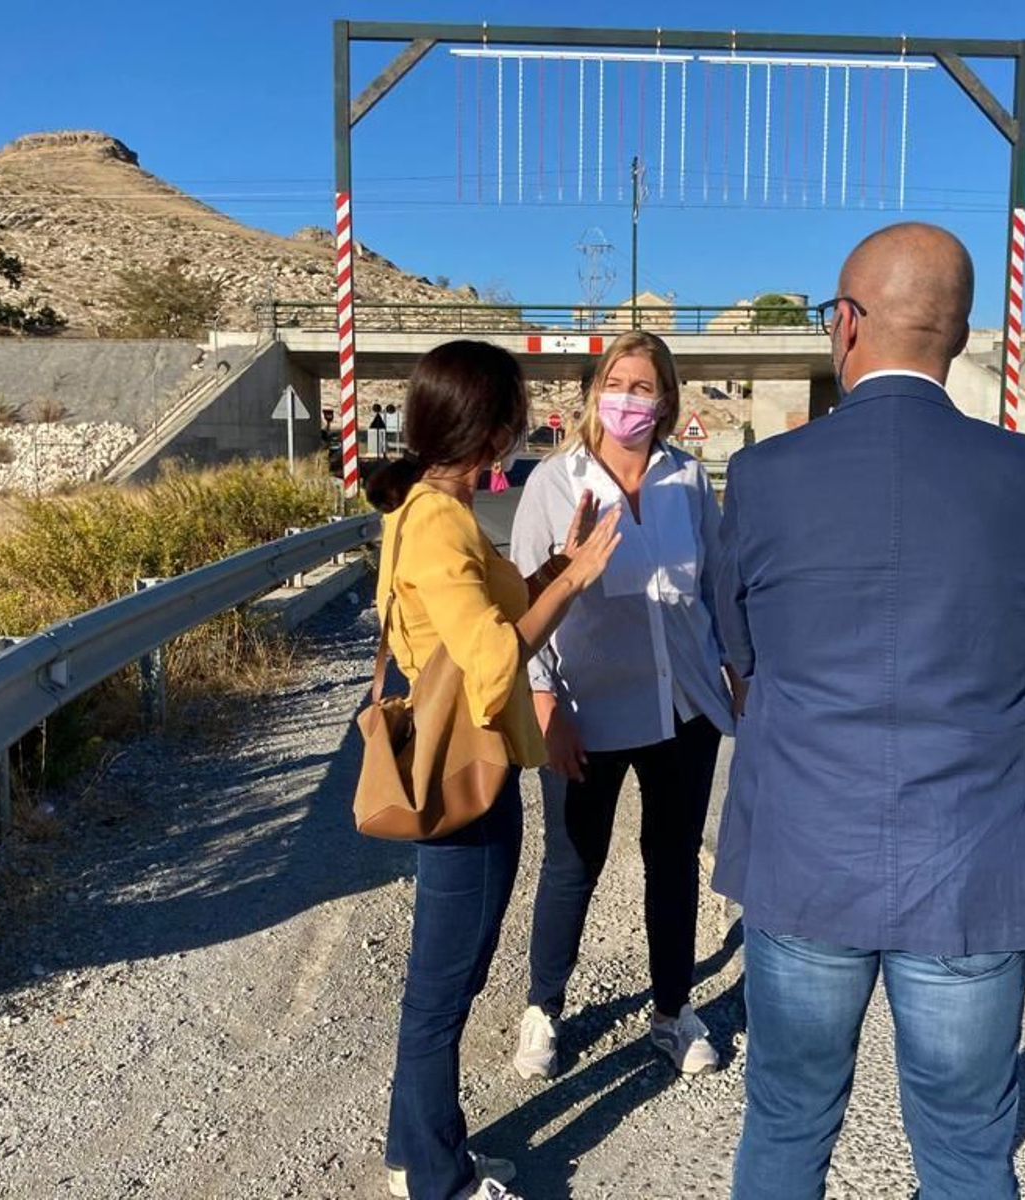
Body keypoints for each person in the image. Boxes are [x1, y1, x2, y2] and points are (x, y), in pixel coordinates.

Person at [715, 224, 1025, 1200]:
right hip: (971, 870)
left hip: (805, 862)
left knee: (787, 1125)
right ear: (959, 337)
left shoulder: (761, 477)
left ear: (844, 326)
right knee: (966, 1152)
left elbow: (740, 657)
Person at [365, 340, 622, 1200]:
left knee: (447, 979)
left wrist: (557, 563)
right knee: (443, 990)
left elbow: (501, 608)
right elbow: (493, 660)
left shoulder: (435, 508)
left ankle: (418, 1157)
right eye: (515, 416)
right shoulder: (436, 521)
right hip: (464, 777)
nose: (522, 431)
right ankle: (438, 1180)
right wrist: (577, 583)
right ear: (495, 427)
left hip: (467, 766)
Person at [507, 330, 743, 1080]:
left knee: (672, 864)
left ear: (667, 400)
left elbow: (714, 585)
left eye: (644, 388)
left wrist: (734, 665)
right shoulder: (555, 480)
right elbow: (528, 595)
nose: (628, 400)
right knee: (573, 864)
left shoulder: (688, 479)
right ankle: (544, 1009)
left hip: (683, 712)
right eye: (617, 383)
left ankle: (672, 1015)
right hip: (588, 713)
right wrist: (543, 703)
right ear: (594, 393)